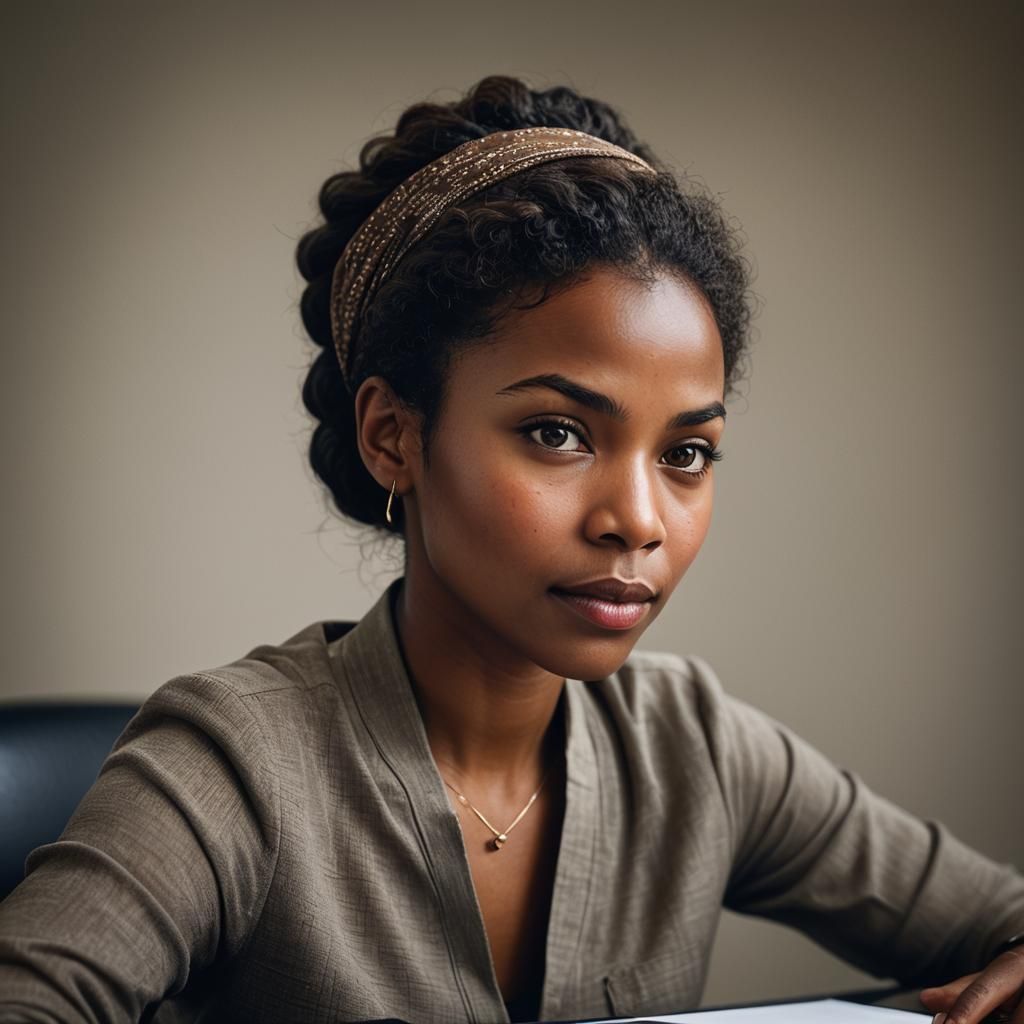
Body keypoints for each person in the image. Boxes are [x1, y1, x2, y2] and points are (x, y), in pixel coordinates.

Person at [0, 75, 1021, 1024]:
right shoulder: (236, 764)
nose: (638, 519)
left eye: (686, 453)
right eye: (557, 433)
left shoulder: (692, 748)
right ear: (393, 436)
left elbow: (1000, 919)